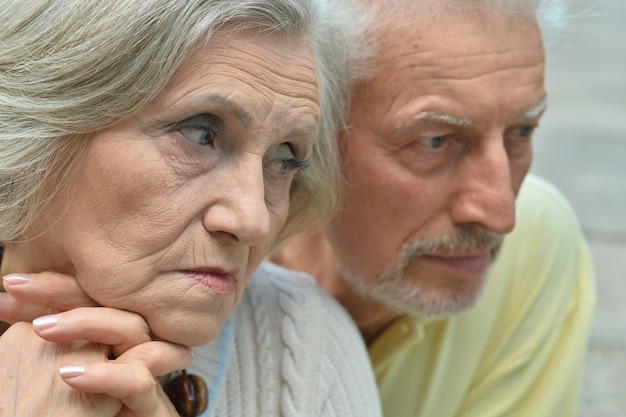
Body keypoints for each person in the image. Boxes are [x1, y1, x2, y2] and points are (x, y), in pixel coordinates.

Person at [0, 1, 382, 416]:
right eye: (201, 134)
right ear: (33, 128)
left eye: (283, 158)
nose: (252, 221)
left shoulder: (307, 344)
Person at [270, 0, 596, 416]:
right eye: (434, 141)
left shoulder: (536, 243)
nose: (502, 215)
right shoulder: (202, 254)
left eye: (521, 131)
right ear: (311, 135)